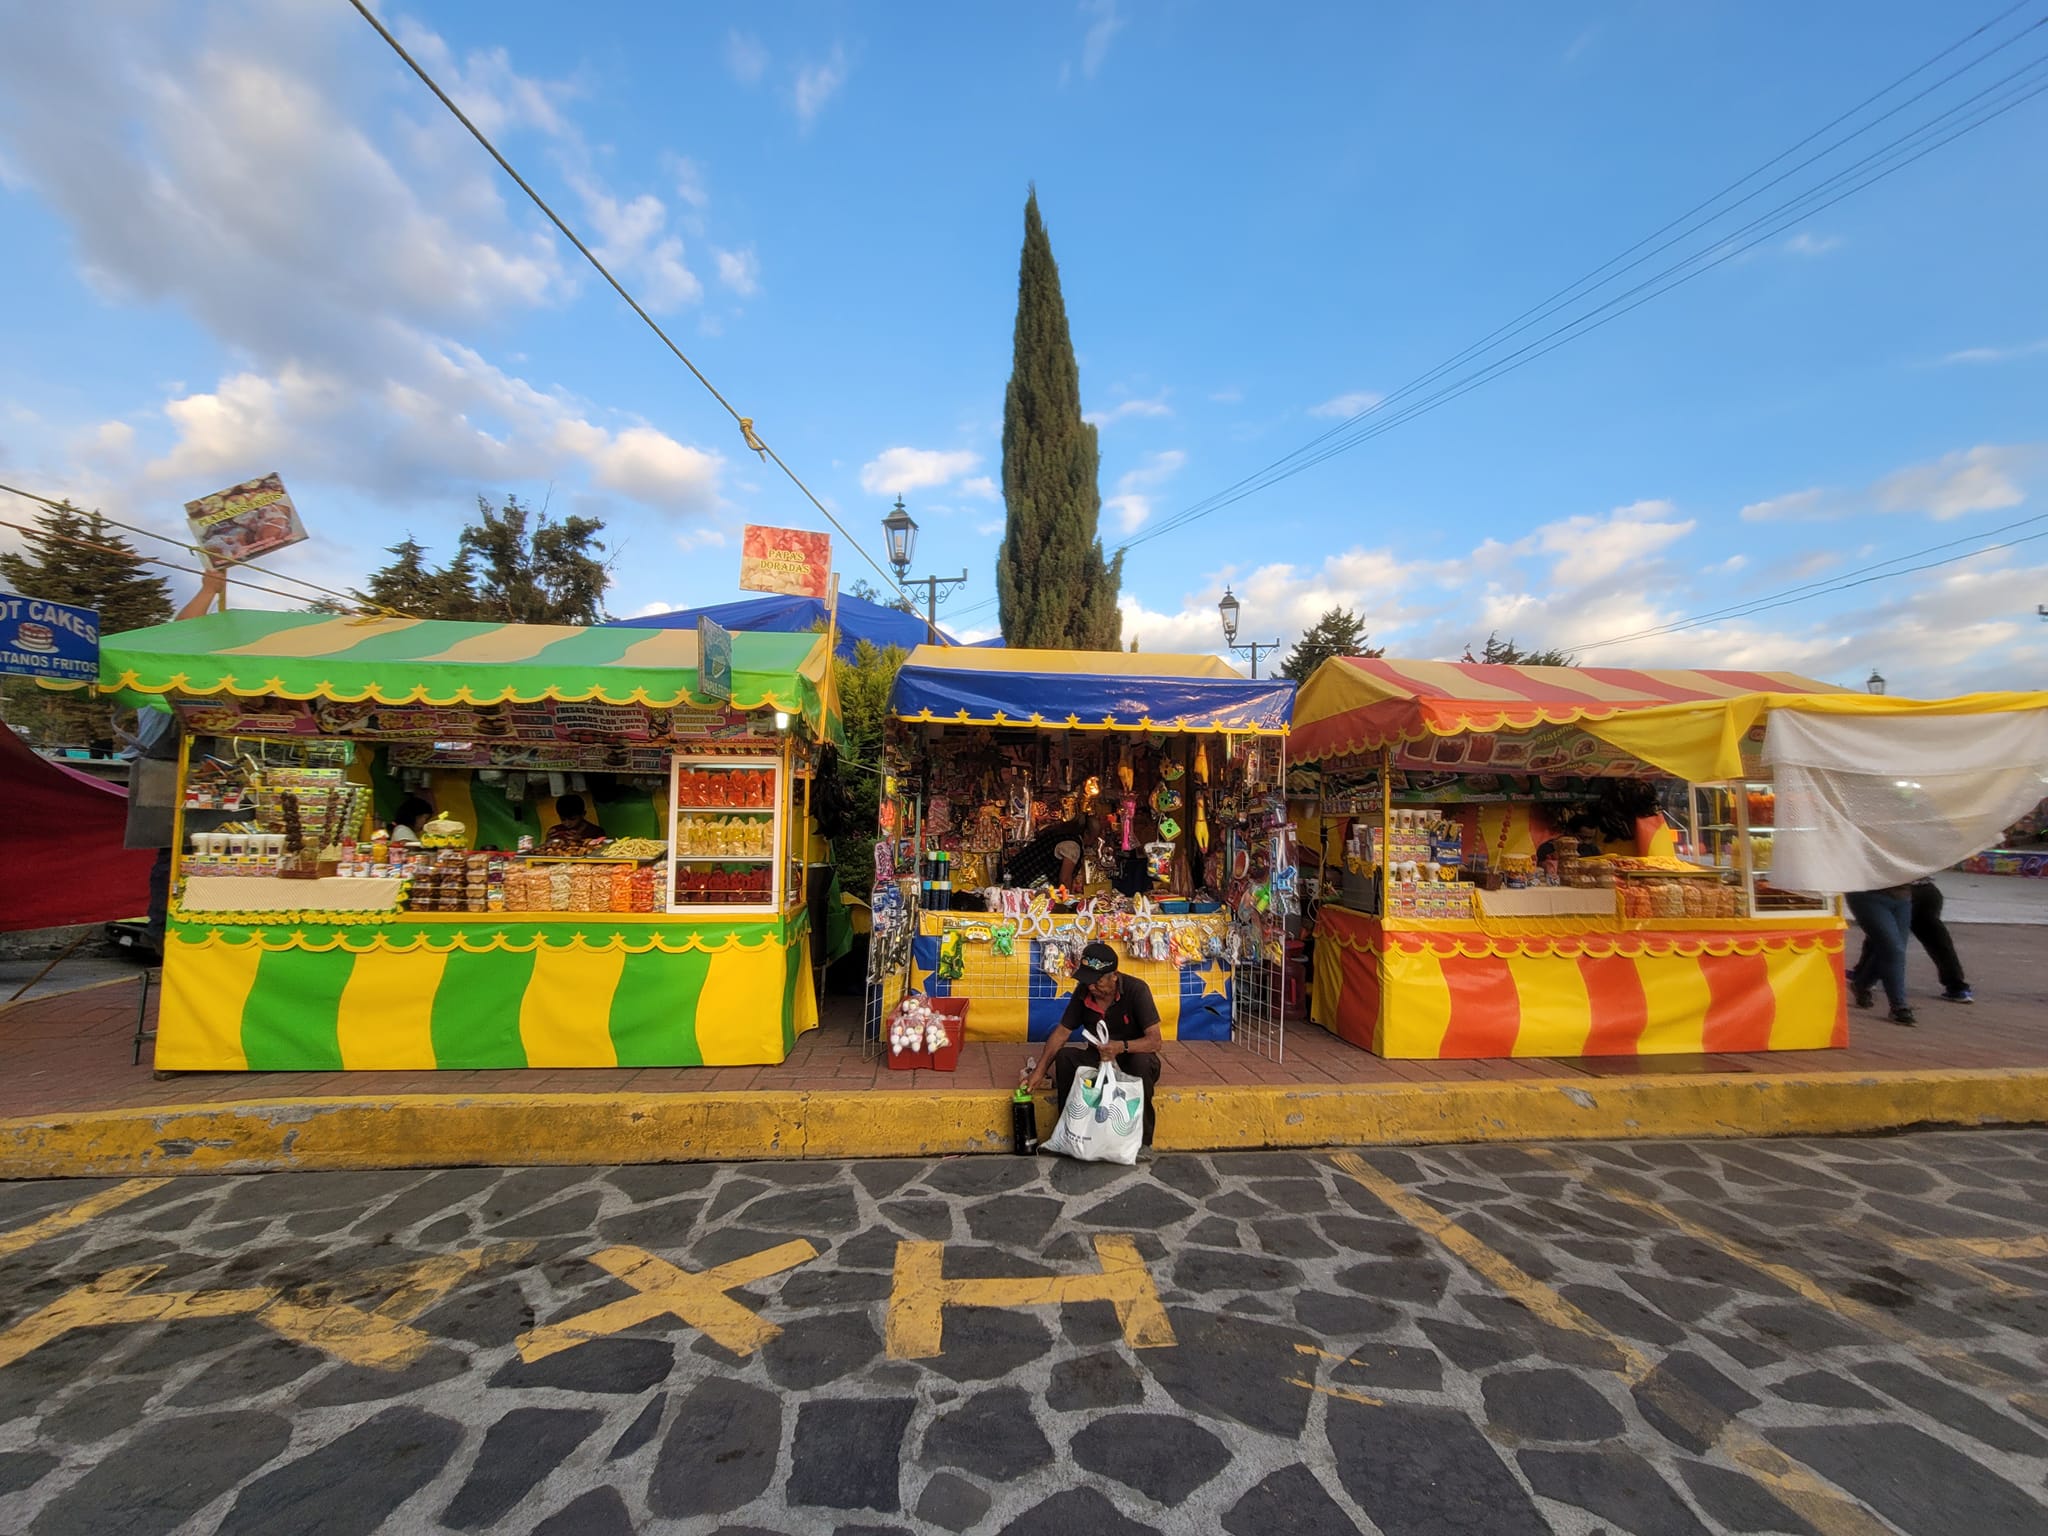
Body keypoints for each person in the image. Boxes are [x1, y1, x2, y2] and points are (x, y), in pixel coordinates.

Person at [1024, 942, 1163, 1149]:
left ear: (1113, 976)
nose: (1091, 987)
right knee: (1066, 1058)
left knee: (1141, 1063)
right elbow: (1062, 1033)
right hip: (1098, 1059)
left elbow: (1155, 1041)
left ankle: (1142, 1143)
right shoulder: (1083, 992)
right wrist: (1039, 1071)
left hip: (1130, 1057)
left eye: (1097, 982)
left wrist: (1120, 1047)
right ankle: (1069, 1131)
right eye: (1087, 981)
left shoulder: (1137, 990)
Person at [1852, 876, 1972, 1004]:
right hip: (1925, 888)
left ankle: (1863, 978)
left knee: (1883, 938)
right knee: (1937, 940)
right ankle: (1956, 985)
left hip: (1897, 890)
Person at [1846, 885, 1917, 1026]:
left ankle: (1861, 984)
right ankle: (1899, 1006)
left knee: (1891, 950)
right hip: (1867, 894)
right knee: (1894, 950)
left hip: (1902, 896)